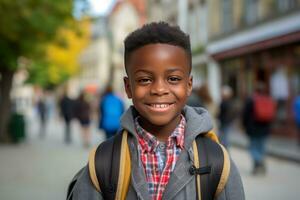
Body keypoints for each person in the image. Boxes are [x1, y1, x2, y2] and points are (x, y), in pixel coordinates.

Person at [69, 22, 244, 200]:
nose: (159, 89)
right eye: (145, 80)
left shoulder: (216, 161)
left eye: (173, 78)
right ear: (128, 87)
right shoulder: (104, 162)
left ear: (189, 85)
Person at [242, 82, 275, 175]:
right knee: (261, 146)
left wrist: (244, 125)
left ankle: (258, 163)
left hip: (253, 128)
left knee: (253, 147)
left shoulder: (251, 100)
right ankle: (261, 162)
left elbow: (245, 115)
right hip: (264, 128)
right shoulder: (268, 99)